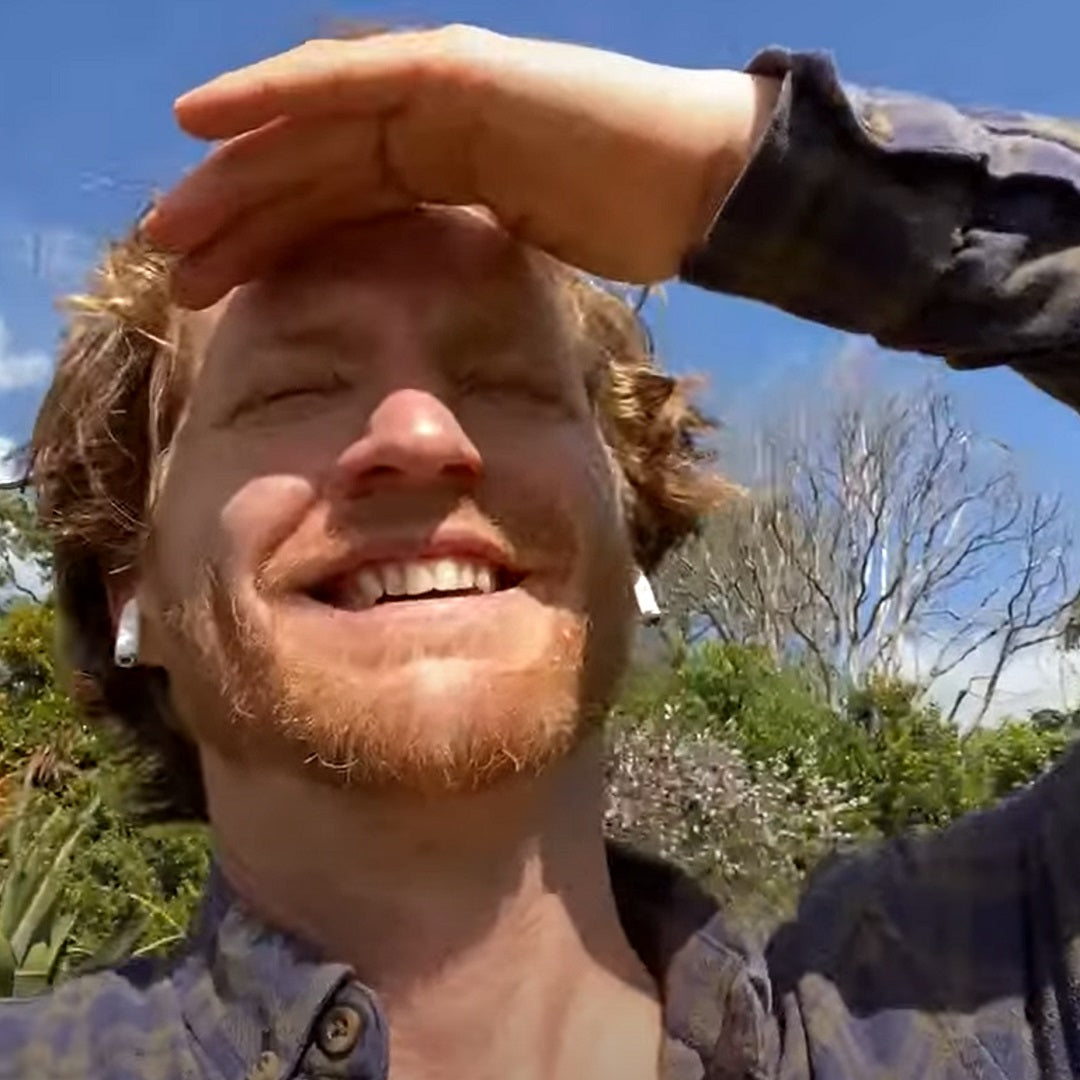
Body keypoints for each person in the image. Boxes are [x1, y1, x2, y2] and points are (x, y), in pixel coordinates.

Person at [3, 23, 1080, 1080]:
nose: (421, 436)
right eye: (292, 389)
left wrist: (732, 170)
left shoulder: (980, 1007)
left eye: (507, 381)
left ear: (633, 537)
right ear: (131, 582)